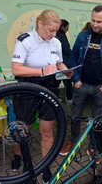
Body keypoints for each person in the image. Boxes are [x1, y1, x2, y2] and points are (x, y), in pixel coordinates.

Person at [11, 10, 73, 183]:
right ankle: (20, 157)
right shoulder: (25, 40)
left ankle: (45, 166)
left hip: (50, 87)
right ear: (39, 24)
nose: (54, 34)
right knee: (24, 128)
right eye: (51, 30)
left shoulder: (56, 42)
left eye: (56, 31)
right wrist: (41, 71)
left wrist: (66, 71)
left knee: (47, 130)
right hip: (28, 87)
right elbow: (16, 68)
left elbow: (59, 62)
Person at [59, 5, 102, 164]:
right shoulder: (82, 36)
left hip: (101, 88)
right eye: (93, 20)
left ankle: (93, 146)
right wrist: (76, 80)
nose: (95, 24)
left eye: (99, 21)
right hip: (82, 85)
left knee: (97, 120)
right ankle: (74, 142)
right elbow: (73, 58)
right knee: (75, 116)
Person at [56, 19, 73, 102]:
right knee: (67, 80)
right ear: (63, 27)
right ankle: (69, 98)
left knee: (56, 81)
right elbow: (66, 49)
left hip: (56, 63)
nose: (67, 30)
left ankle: (55, 97)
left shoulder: (55, 34)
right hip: (64, 62)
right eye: (67, 28)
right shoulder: (62, 35)